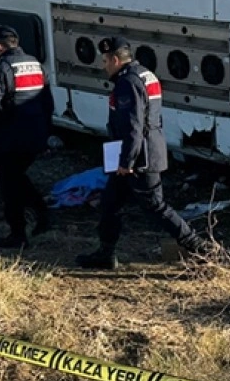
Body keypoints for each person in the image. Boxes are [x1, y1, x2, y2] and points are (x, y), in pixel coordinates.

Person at [76, 36, 220, 270]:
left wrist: (126, 161)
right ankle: (106, 254)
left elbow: (134, 125)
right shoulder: (145, 73)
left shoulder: (127, 82)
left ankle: (201, 249)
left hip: (138, 157)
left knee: (156, 206)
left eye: (105, 60)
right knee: (110, 204)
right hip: (140, 151)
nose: (103, 66)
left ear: (115, 59)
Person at [0, 25, 55, 248]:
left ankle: (19, 233)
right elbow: (47, 103)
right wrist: (46, 133)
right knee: (17, 177)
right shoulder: (36, 65)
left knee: (9, 186)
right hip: (35, 135)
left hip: (11, 138)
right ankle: (42, 213)